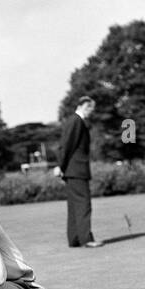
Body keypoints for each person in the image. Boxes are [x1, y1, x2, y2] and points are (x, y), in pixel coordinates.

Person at [54, 96, 99, 247]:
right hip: (77, 170)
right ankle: (87, 239)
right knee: (83, 204)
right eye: (91, 108)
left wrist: (62, 167)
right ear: (85, 106)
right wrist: (60, 165)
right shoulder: (76, 121)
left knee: (74, 206)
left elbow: (66, 145)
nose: (92, 111)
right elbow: (66, 145)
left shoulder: (74, 121)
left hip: (72, 171)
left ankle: (75, 239)